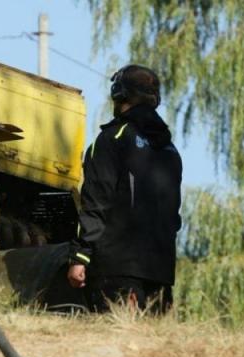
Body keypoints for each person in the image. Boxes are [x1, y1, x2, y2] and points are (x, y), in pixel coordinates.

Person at [67, 65, 182, 313]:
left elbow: (96, 202)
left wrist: (80, 257)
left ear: (119, 95)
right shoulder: (170, 151)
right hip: (160, 273)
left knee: (113, 345)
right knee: (151, 350)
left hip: (116, 270)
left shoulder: (112, 139)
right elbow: (174, 218)